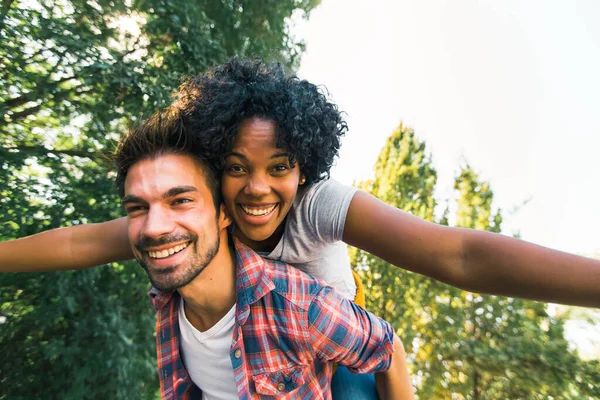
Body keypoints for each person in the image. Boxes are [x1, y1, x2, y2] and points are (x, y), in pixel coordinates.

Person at [113, 109, 414, 399]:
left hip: (342, 333)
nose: (154, 227)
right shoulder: (167, 297)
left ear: (223, 213)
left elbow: (387, 348)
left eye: (180, 200)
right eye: (137, 208)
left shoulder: (302, 289)